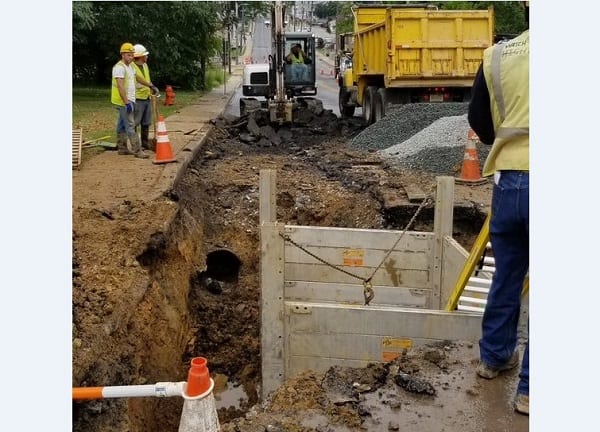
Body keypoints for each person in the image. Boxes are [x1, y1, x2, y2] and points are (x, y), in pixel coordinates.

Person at [467, 3, 529, 416]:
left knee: (506, 272)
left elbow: (479, 120)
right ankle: (531, 390)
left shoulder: (498, 55)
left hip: (509, 182)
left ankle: (494, 358)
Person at [111, 42, 148, 158]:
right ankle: (137, 150)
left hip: (129, 99)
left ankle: (122, 148)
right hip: (123, 101)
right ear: (122, 55)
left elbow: (137, 77)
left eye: (132, 55)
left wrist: (149, 85)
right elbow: (120, 86)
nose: (131, 57)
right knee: (131, 124)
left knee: (122, 124)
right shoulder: (119, 68)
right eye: (128, 55)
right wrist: (126, 102)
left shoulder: (131, 66)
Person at [132, 44, 159, 152]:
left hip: (146, 97)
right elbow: (138, 80)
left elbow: (147, 80)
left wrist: (152, 87)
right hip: (137, 98)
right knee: (135, 122)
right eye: (145, 55)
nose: (147, 57)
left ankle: (145, 143)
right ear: (140, 56)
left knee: (146, 122)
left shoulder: (145, 66)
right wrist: (149, 85)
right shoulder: (132, 67)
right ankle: (135, 145)